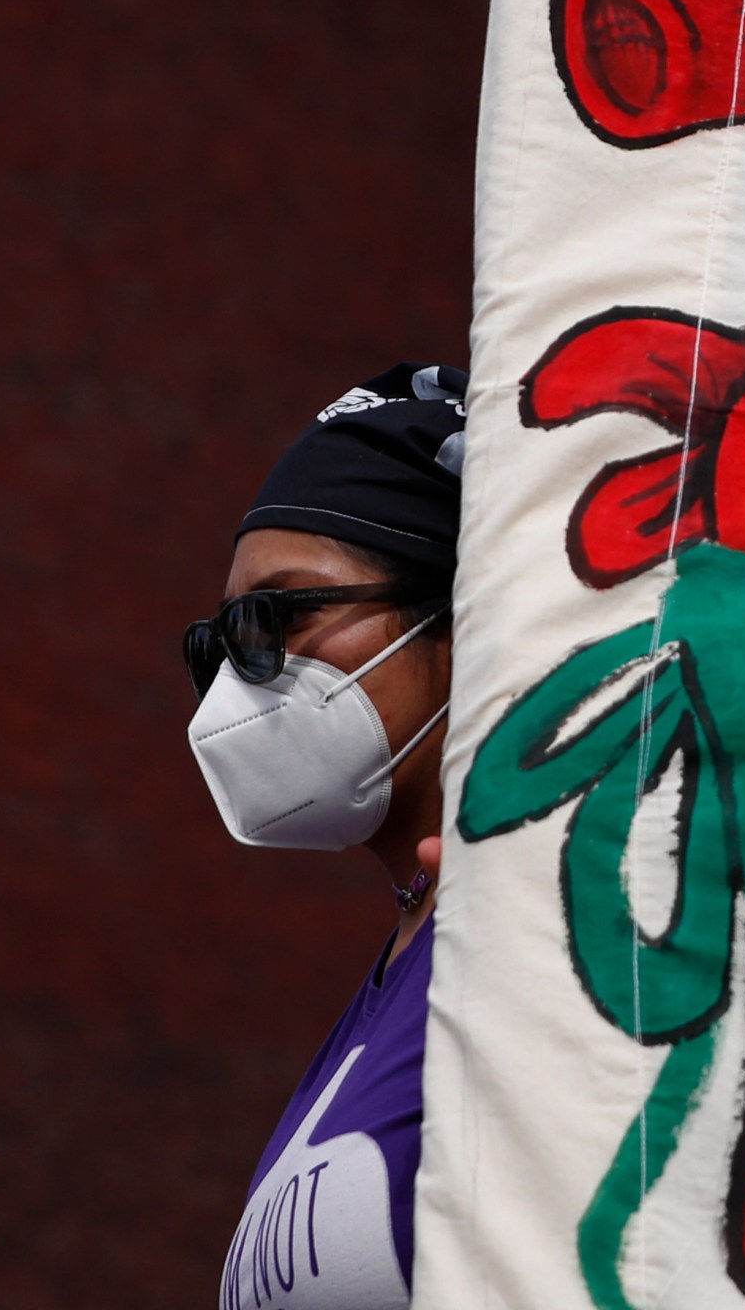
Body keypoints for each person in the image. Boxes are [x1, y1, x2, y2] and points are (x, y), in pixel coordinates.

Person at [187, 363, 466, 1310]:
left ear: (467, 617)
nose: (236, 682)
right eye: (216, 646)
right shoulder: (398, 972)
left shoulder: (575, 919)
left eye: (274, 618)